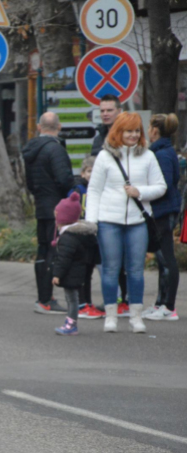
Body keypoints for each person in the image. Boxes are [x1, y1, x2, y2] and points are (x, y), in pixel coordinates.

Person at [85, 112, 167, 333]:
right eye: (128, 131)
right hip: (108, 221)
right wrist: (91, 221)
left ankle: (136, 316)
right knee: (110, 269)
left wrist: (139, 191)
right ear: (118, 132)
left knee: (136, 270)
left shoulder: (148, 156)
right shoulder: (104, 156)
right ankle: (110, 316)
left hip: (138, 222)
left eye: (137, 131)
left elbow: (161, 187)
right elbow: (93, 190)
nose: (133, 135)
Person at [23, 111, 75, 314]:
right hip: (57, 208)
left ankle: (42, 297)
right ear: (59, 127)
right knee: (53, 252)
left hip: (41, 206)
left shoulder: (30, 150)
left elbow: (29, 183)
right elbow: (64, 179)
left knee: (43, 250)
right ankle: (46, 299)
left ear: (38, 127)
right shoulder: (55, 150)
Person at [90, 95, 130, 316]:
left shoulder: (128, 135)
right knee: (109, 257)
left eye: (109, 110)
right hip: (104, 202)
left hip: (124, 202)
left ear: (119, 111)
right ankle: (114, 301)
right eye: (102, 110)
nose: (105, 114)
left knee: (126, 259)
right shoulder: (99, 136)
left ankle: (126, 300)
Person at [143, 113, 182, 321]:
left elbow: (163, 186)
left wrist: (143, 192)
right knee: (162, 259)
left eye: (149, 128)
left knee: (167, 259)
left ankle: (169, 307)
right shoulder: (162, 151)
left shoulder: (163, 154)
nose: (147, 132)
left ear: (155, 131)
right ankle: (160, 303)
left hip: (164, 211)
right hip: (163, 210)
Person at [51, 193, 99, 335]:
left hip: (71, 272)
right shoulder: (80, 234)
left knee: (71, 299)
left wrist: (57, 274)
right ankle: (71, 323)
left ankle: (71, 325)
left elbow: (63, 258)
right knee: (73, 298)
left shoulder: (68, 237)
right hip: (79, 271)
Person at [68, 157, 105, 320]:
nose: (92, 174)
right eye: (89, 171)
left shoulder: (102, 189)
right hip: (80, 235)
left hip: (94, 236)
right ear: (83, 173)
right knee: (81, 271)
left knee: (89, 270)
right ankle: (81, 304)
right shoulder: (77, 190)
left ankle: (88, 302)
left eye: (94, 171)